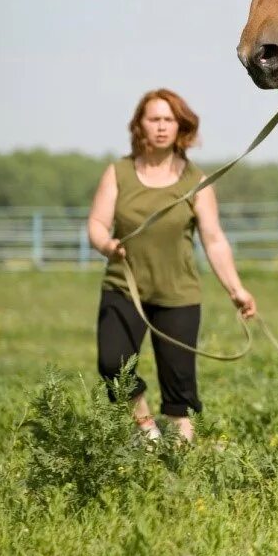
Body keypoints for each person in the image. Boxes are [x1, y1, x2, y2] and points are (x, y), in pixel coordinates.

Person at [86, 88, 256, 443]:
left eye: (169, 119)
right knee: (112, 364)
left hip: (178, 293)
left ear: (181, 126)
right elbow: (97, 225)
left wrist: (236, 289)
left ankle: (183, 453)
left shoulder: (196, 181)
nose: (161, 127)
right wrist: (107, 244)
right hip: (123, 287)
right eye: (154, 119)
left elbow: (213, 239)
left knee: (179, 382)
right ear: (140, 126)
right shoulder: (118, 173)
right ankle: (146, 430)